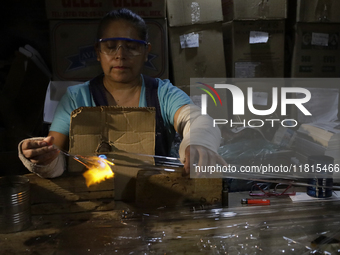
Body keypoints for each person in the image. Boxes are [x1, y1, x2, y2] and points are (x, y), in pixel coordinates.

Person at [18, 8, 225, 178]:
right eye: (110, 47)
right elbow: (54, 154)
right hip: (93, 205)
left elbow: (196, 119)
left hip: (156, 201)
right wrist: (40, 157)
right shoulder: (76, 98)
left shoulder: (163, 93)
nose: (120, 56)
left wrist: (199, 142)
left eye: (131, 47)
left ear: (146, 52)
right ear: (98, 52)